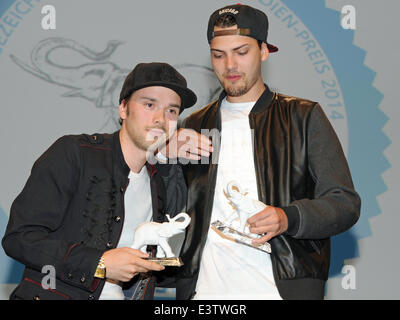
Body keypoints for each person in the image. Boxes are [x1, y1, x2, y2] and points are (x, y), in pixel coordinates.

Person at [167, 4, 361, 300]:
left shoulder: (302, 116)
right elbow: (169, 210)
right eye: (219, 55)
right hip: (204, 292)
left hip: (279, 291)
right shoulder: (196, 125)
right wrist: (165, 156)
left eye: (241, 52)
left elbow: (344, 203)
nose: (230, 65)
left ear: (264, 51)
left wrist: (288, 217)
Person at [2, 62, 196, 300]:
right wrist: (100, 263)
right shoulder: (74, 153)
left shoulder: (158, 182)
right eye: (149, 104)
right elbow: (20, 238)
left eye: (172, 111)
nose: (160, 118)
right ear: (123, 108)